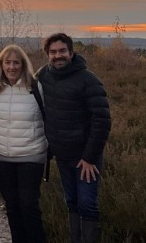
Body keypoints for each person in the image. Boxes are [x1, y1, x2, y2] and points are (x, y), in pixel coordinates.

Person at [37, 33, 111, 243]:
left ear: (71, 52)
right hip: (62, 155)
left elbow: (102, 121)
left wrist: (89, 157)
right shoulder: (43, 75)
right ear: (47, 55)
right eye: (53, 52)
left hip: (86, 158)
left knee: (87, 204)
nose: (58, 56)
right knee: (71, 202)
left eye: (62, 51)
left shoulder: (88, 80)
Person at [0, 44, 48, 243]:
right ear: (1, 65)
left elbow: (51, 117)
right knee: (12, 206)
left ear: (23, 65)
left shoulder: (36, 87)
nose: (12, 67)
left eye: (16, 62)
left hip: (31, 155)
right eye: (8, 62)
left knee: (28, 205)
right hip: (1, 156)